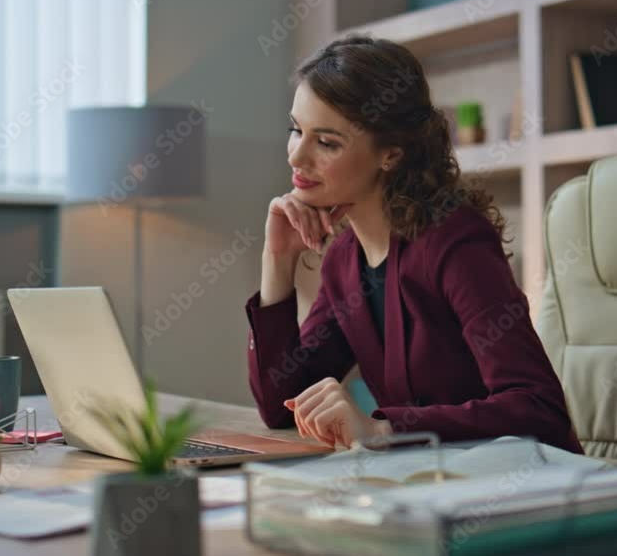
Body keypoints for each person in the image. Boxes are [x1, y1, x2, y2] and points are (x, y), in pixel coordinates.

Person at [246, 35, 582, 454]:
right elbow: (283, 406)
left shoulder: (455, 243)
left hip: (514, 491)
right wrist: (278, 260)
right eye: (297, 130)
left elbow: (538, 409)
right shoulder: (346, 260)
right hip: (425, 488)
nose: (297, 157)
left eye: (326, 142)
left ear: (390, 153)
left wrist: (383, 431)